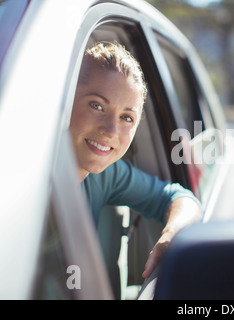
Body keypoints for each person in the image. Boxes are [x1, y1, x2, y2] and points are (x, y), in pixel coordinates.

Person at [69, 41, 201, 280]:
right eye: (96, 105)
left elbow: (180, 197)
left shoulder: (107, 175)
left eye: (127, 118)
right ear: (66, 102)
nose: (110, 130)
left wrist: (171, 235)